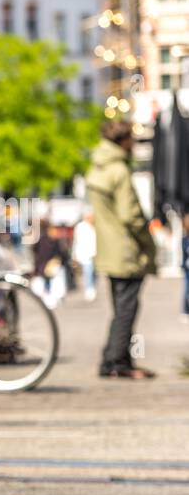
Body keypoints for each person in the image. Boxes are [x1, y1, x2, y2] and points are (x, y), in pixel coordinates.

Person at [85, 119, 158, 380]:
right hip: (126, 250)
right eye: (133, 139)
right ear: (123, 141)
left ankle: (116, 359)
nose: (135, 144)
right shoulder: (119, 170)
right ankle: (116, 362)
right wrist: (148, 240)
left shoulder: (97, 167)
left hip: (107, 248)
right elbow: (131, 215)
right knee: (127, 310)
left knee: (120, 309)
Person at [73, 210, 98, 302]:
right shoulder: (80, 227)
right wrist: (75, 255)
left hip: (95, 253)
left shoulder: (95, 226)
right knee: (88, 271)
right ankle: (89, 288)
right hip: (85, 253)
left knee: (93, 272)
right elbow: (76, 242)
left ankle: (92, 287)